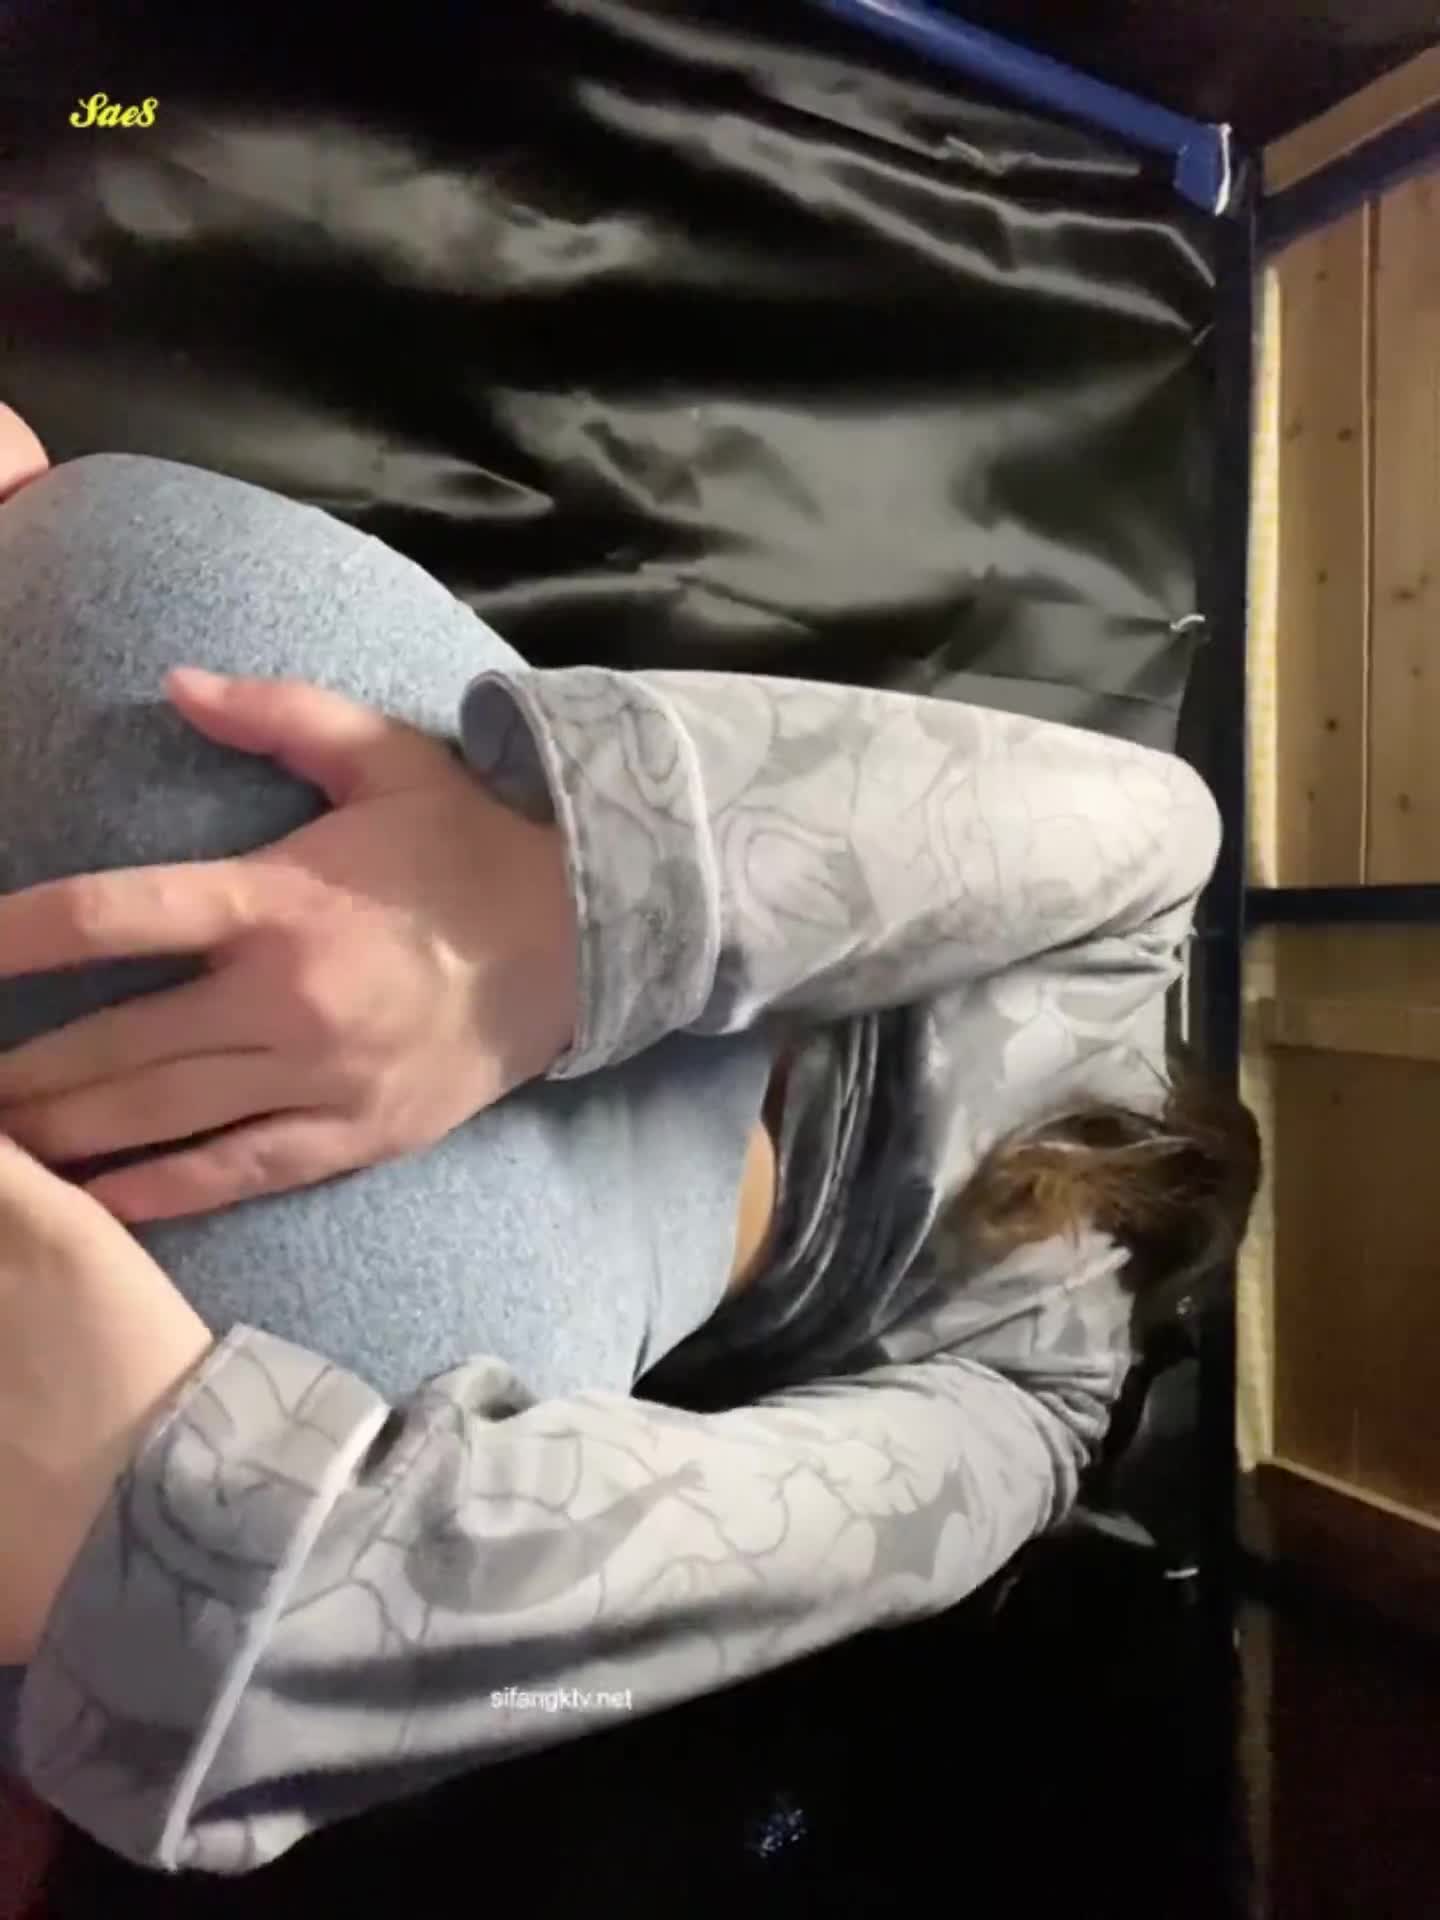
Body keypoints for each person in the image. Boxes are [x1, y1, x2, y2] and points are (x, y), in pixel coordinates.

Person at [0, 404, 1258, 1879]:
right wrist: (194, 1551)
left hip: (149, 622)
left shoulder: (1143, 918)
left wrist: (549, 910)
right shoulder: (1040, 1424)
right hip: (239, 1325)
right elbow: (663, 1603)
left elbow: (1152, 816)